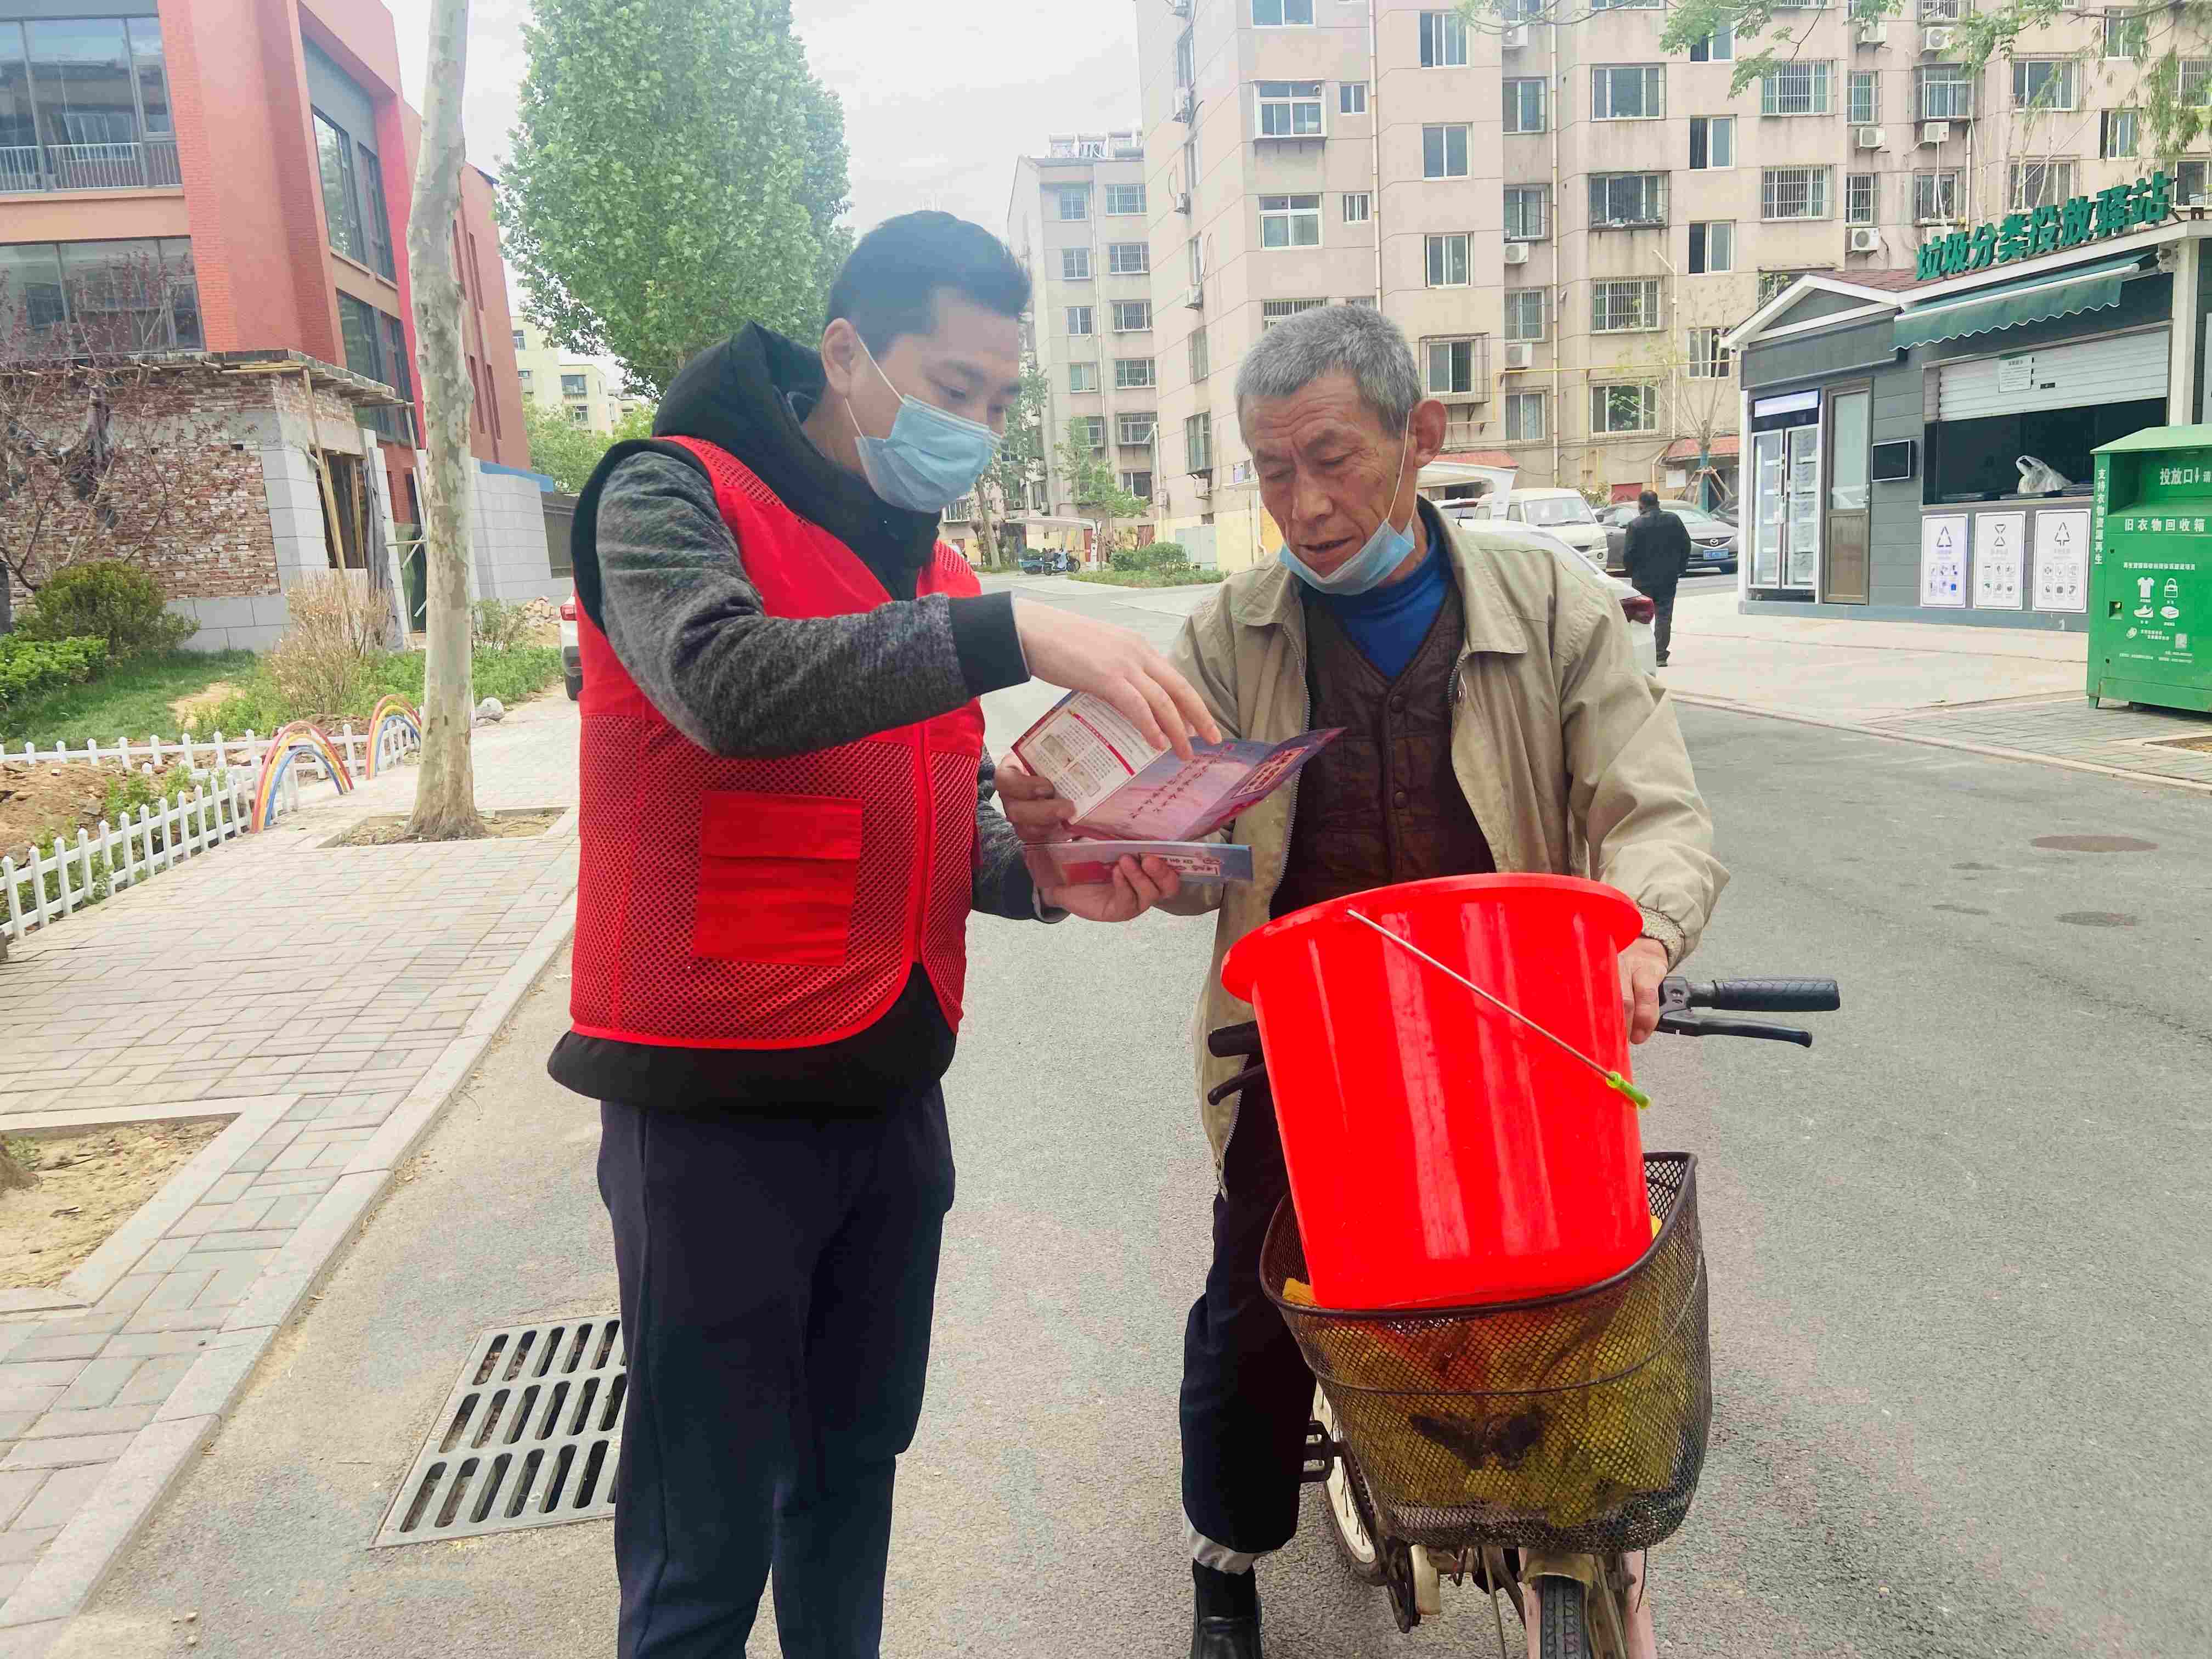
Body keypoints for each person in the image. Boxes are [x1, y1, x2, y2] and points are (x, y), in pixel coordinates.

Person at [995, 305, 1726, 1659]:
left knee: (1567, 1298)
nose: (1305, 504)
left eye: (1331, 458)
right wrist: (1119, 850)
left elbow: (1653, 811)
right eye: (1273, 471)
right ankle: (1226, 1560)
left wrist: (1645, 938)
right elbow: (1192, 856)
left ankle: (1559, 1512)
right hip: (1310, 1043)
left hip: (1516, 1029)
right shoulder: (1230, 637)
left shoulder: (1554, 608)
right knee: (1258, 1310)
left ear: (1419, 436)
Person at [549, 211, 1219, 1659]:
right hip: (711, 1116)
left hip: (889, 1102)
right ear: (846, 353)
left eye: (998, 400)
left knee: (850, 1486)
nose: (974, 428)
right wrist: (1015, 634)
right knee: (702, 1545)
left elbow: (930, 821)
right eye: (953, 386)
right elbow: (725, 686)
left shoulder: (929, 574)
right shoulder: (667, 497)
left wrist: (1052, 869)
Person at [1621, 489, 1694, 667]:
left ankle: (1642, 653)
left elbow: (1628, 554)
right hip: (1668, 577)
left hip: (1642, 579)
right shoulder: (1673, 520)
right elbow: (1686, 545)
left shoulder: (1635, 525)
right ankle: (1660, 655)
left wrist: (1631, 572)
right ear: (1658, 503)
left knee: (1640, 617)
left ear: (1641, 506)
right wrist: (1680, 568)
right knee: (1664, 616)